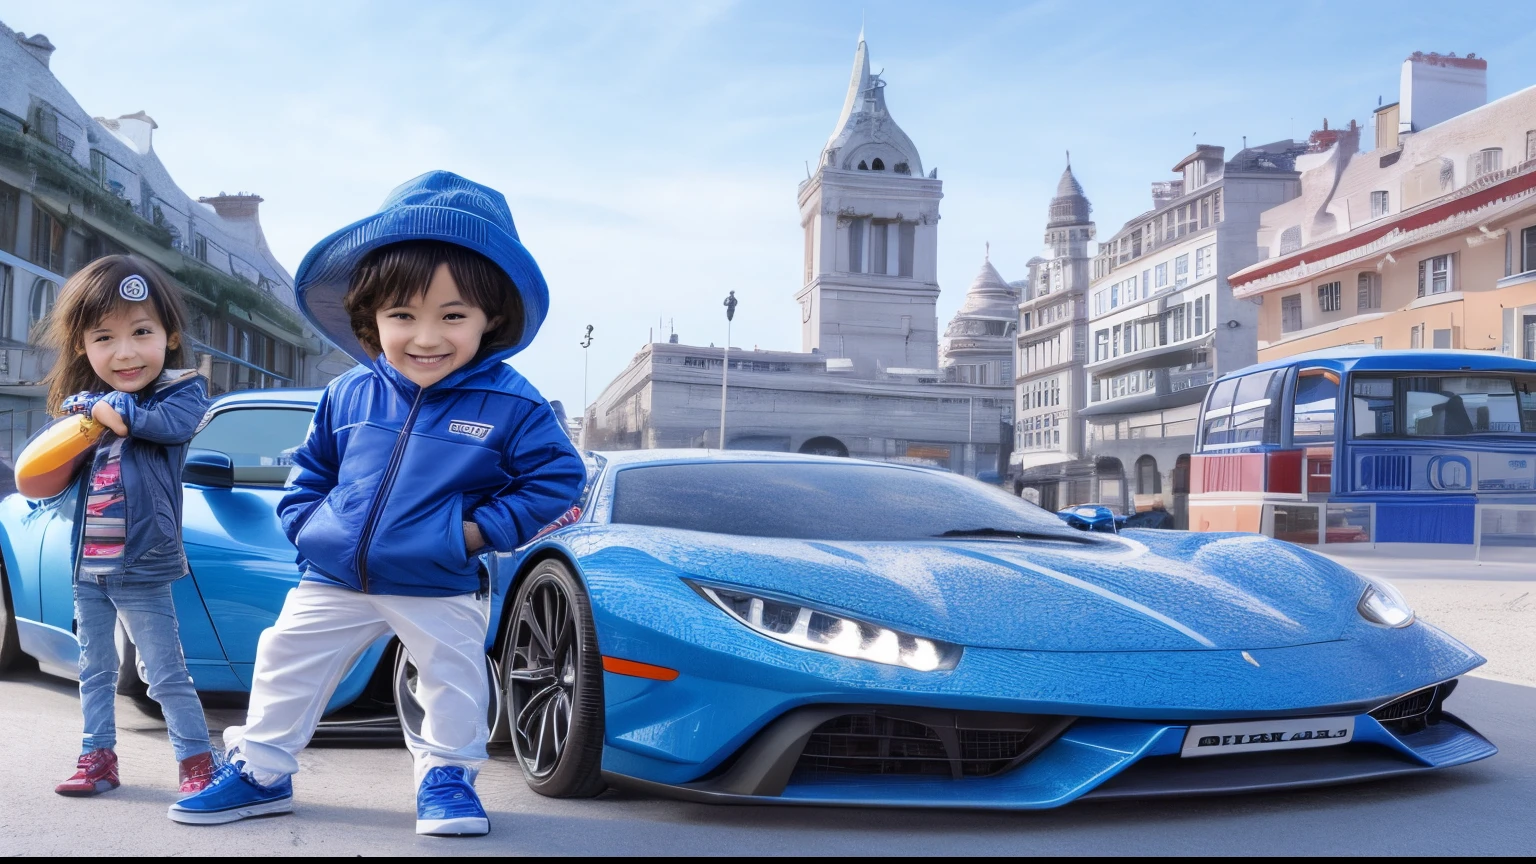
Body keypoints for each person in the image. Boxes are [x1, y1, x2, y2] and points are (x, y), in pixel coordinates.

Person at [169, 171, 586, 836]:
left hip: (439, 575)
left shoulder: (514, 402)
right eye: (402, 316)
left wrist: (475, 533)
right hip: (333, 573)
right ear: (371, 318)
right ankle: (261, 773)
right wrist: (310, 527)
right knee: (284, 661)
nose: (426, 337)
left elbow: (559, 478)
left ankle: (447, 780)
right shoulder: (349, 394)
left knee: (450, 677)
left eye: (453, 316)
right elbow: (311, 469)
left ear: (492, 318)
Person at [36, 256, 216, 798]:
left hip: (142, 562)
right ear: (82, 347)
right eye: (104, 337)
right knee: (93, 670)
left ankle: (198, 763)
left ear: (170, 335)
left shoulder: (182, 392)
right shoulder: (86, 413)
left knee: (164, 672)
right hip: (88, 564)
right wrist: (87, 413)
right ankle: (97, 759)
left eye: (142, 331)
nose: (125, 351)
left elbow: (161, 427)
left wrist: (102, 407)